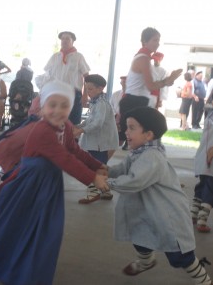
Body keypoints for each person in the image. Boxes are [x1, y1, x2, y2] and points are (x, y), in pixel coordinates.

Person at [0, 79, 108, 285]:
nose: (57, 111)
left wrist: (96, 165)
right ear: (42, 108)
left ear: (71, 108)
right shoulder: (42, 130)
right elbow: (64, 159)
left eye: (64, 106)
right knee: (16, 227)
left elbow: (74, 151)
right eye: (52, 105)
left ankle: (27, 270)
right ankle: (12, 267)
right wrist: (92, 179)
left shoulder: (66, 126)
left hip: (47, 186)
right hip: (27, 186)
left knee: (42, 231)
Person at [95, 106, 213, 285]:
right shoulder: (138, 151)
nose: (125, 131)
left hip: (166, 214)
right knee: (140, 236)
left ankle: (202, 279)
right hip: (147, 209)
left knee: (179, 255)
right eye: (126, 127)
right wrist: (109, 171)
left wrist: (107, 183)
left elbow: (134, 181)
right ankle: (146, 262)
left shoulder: (152, 156)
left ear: (148, 135)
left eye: (131, 128)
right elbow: (124, 168)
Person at [119, 27, 182, 139]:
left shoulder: (144, 57)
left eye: (158, 40)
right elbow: (151, 86)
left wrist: (167, 81)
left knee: (138, 139)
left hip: (138, 101)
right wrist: (167, 80)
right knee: (136, 138)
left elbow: (151, 85)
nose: (158, 43)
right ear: (145, 41)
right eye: (155, 40)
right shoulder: (143, 58)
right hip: (134, 102)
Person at [73, 74, 119, 204]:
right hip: (98, 143)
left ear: (100, 88)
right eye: (87, 89)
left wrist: (80, 130)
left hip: (101, 143)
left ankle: (94, 192)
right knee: (99, 167)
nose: (88, 92)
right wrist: (79, 125)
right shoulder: (96, 102)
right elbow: (90, 120)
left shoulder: (101, 104)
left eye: (91, 89)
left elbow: (97, 123)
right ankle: (105, 191)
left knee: (95, 168)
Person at [44, 31, 90, 125]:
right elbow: (47, 75)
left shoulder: (78, 57)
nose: (64, 41)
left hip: (74, 94)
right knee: (55, 122)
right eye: (62, 39)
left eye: (67, 39)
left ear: (72, 41)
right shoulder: (55, 57)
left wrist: (85, 95)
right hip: (56, 92)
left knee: (72, 123)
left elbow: (87, 77)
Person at [191, 100, 213, 233]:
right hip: (210, 158)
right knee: (210, 190)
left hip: (203, 157)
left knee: (201, 186)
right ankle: (202, 220)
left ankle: (193, 214)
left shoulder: (209, 114)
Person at [110, 75, 127, 147]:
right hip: (116, 117)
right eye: (123, 82)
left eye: (126, 82)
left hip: (127, 117)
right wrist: (116, 115)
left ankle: (127, 140)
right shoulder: (115, 94)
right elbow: (110, 106)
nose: (124, 84)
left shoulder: (134, 96)